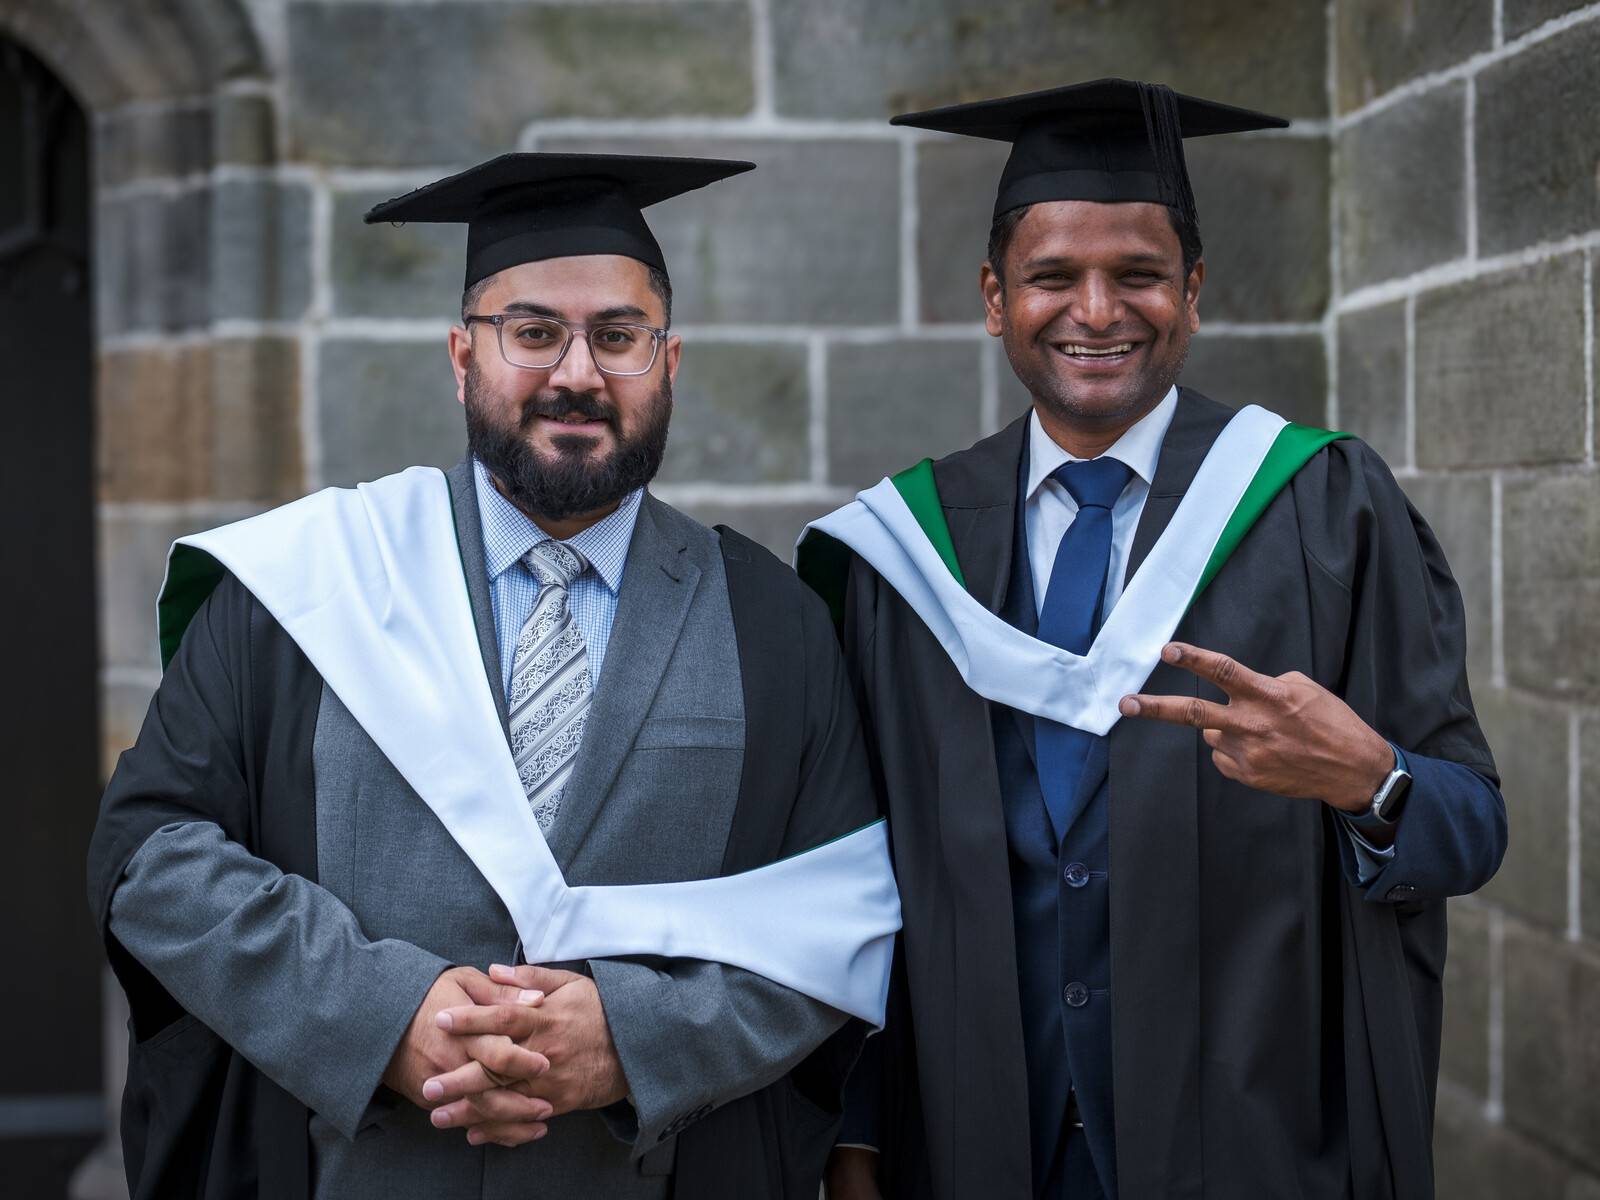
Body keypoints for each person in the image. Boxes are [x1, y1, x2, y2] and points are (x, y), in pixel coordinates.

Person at [87, 151, 899, 1200]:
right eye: (531, 332)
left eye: (617, 336)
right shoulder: (310, 587)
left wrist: (636, 1040)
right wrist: (378, 1019)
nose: (576, 373)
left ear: (670, 360)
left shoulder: (773, 625)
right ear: (461, 356)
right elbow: (152, 855)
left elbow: (838, 918)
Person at [806, 79, 1507, 1200]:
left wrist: (1370, 783)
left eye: (1136, 274)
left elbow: (1470, 826)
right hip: (978, 1141)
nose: (1096, 310)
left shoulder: (1324, 506)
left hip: (1255, 1146)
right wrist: (856, 1132)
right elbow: (848, 880)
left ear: (1192, 293)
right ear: (995, 298)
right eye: (1051, 277)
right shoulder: (906, 554)